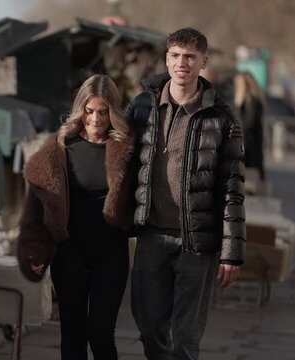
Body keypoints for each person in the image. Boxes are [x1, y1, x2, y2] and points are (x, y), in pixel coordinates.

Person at [128, 28, 246, 359]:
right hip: (151, 235)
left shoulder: (222, 117)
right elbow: (119, 164)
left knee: (186, 336)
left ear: (203, 62)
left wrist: (231, 252)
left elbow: (233, 187)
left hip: (197, 241)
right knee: (149, 327)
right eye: (176, 55)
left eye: (191, 57)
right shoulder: (142, 106)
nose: (183, 63)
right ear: (166, 59)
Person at [17, 74, 136, 360]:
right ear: (80, 109)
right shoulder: (59, 149)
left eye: (103, 112)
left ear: (113, 112)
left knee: (101, 333)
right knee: (72, 335)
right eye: (89, 111)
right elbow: (35, 210)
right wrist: (34, 250)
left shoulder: (128, 148)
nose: (96, 119)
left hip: (112, 252)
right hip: (69, 253)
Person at [234, 71, 266, 180]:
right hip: (249, 146)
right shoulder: (246, 101)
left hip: (249, 147)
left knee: (251, 180)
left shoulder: (251, 101)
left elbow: (247, 124)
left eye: (238, 84)